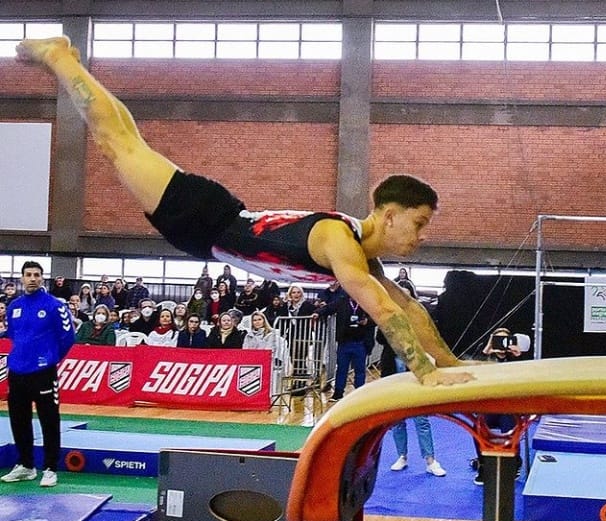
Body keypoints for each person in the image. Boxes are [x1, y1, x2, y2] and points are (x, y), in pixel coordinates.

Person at [15, 36, 473, 388]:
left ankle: (66, 59)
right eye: (419, 223)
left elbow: (408, 307)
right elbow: (382, 309)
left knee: (125, 143)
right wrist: (423, 371)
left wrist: (450, 362)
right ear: (389, 214)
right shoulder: (340, 241)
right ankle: (60, 58)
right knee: (118, 144)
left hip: (206, 234)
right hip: (206, 217)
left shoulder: (361, 257)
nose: (420, 237)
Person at [1, 260, 75, 488]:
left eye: (36, 274)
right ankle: (26, 465)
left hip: (44, 372)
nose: (32, 278)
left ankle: (51, 468)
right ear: (22, 278)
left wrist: (49, 358)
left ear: (43, 278)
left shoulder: (55, 305)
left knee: (49, 420)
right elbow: (15, 336)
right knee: (18, 419)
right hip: (17, 371)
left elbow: (68, 337)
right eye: (28, 274)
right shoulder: (14, 306)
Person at [376, 330, 447, 477]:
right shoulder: (387, 318)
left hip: (415, 380)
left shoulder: (414, 320)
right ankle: (402, 456)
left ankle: (430, 460)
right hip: (393, 380)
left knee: (421, 421)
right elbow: (380, 338)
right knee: (397, 421)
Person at [471, 327, 525, 485]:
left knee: (511, 431)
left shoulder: (515, 359)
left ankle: (514, 463)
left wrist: (518, 356)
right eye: (497, 340)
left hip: (508, 408)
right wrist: (487, 349)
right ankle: (483, 465)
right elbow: (472, 368)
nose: (501, 344)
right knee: (478, 429)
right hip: (489, 407)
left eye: (505, 340)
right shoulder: (486, 359)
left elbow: (526, 376)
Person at [316, 291, 373, 402]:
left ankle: (359, 393)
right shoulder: (342, 301)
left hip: (361, 342)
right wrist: (318, 313)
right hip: (344, 342)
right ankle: (338, 393)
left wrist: (368, 321)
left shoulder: (367, 302)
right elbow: (329, 308)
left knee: (360, 370)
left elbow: (376, 317)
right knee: (341, 369)